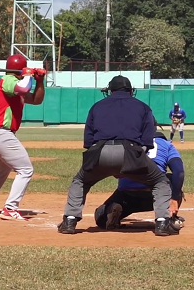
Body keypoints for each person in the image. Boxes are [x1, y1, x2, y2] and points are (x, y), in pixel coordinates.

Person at [57, 75, 176, 236]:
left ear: (110, 90)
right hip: (131, 152)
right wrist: (131, 162)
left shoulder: (97, 106)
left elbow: (88, 141)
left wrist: (106, 163)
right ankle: (162, 223)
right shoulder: (143, 107)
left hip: (100, 151)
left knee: (80, 181)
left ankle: (69, 220)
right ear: (130, 91)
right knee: (160, 181)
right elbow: (148, 141)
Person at [0, 54, 46, 221]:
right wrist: (28, 75)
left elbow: (36, 99)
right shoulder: (7, 81)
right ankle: (10, 208)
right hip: (0, 134)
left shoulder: (15, 85)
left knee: (3, 169)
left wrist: (39, 80)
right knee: (26, 170)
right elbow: (23, 88)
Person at [93, 127, 185, 233]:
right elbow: (179, 172)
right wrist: (173, 199)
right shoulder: (166, 144)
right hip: (157, 195)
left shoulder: (127, 142)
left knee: (100, 218)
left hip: (127, 195)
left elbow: (112, 168)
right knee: (170, 179)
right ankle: (169, 218)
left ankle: (112, 212)